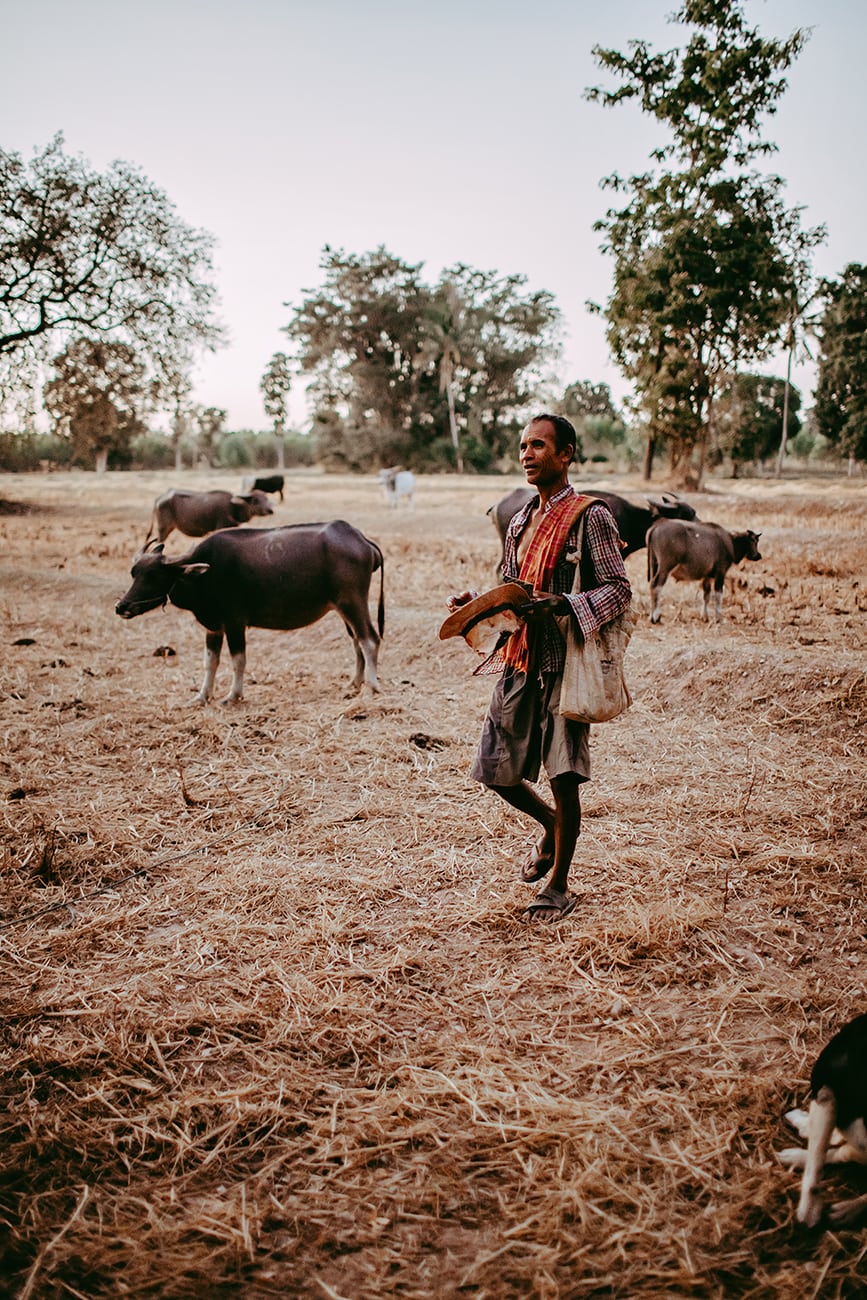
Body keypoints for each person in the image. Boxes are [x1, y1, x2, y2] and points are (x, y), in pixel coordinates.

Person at [448, 413, 631, 923]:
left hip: (565, 662)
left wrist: (565, 605)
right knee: (493, 769)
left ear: (566, 453)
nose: (527, 454)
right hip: (521, 658)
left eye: (539, 446)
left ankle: (559, 885)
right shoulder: (521, 519)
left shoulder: (590, 516)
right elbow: (510, 586)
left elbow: (618, 589)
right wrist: (476, 604)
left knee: (564, 774)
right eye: (523, 446)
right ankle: (551, 825)